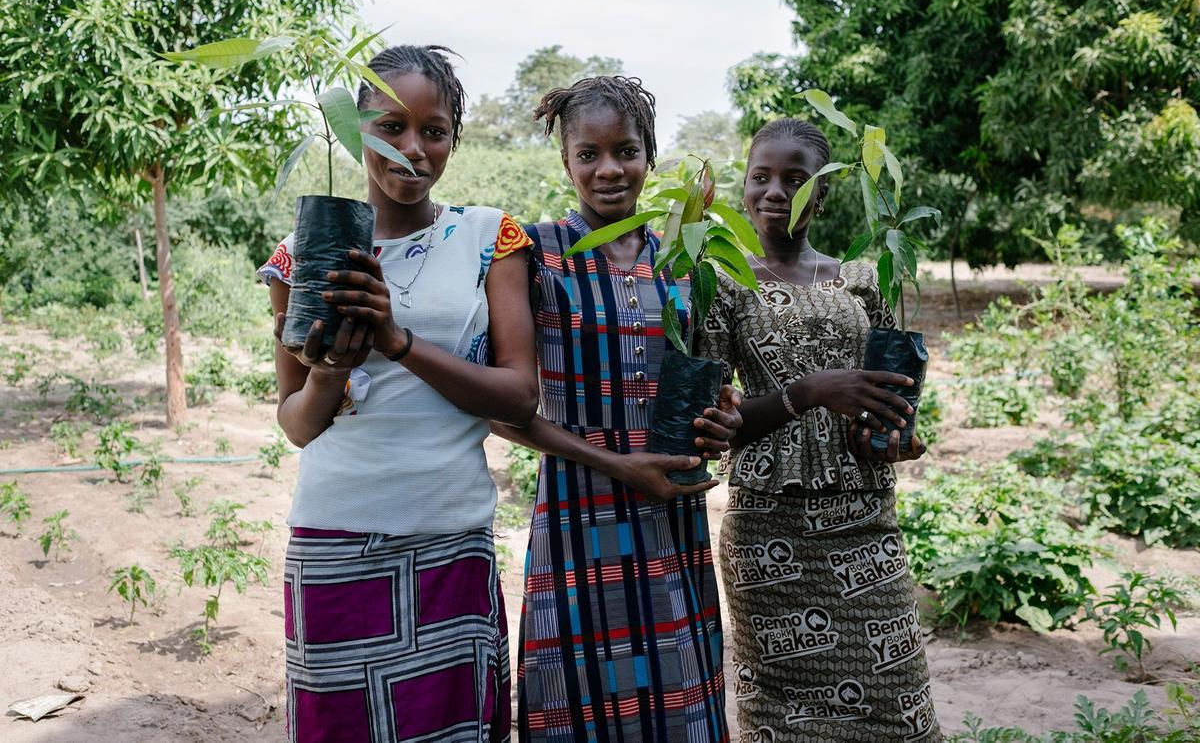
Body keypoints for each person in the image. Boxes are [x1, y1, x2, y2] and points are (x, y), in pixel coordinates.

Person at [259, 45, 538, 743]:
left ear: (453, 138)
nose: (413, 148)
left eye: (434, 130)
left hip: (450, 539)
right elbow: (296, 424)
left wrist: (398, 342)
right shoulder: (304, 251)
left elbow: (519, 394)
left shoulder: (488, 237)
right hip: (334, 539)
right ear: (355, 132)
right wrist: (328, 374)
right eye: (390, 126)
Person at [490, 76, 733, 742]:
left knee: (675, 696)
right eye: (587, 154)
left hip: (672, 516)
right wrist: (618, 464)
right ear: (565, 161)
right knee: (577, 692)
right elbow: (499, 409)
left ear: (649, 156)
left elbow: (703, 381)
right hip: (578, 512)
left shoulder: (681, 261)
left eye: (625, 151)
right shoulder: (532, 253)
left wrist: (718, 412)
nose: (608, 170)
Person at [697, 118, 942, 742]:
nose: (775, 191)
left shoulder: (861, 279)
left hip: (863, 519)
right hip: (768, 532)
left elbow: (890, 396)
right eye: (761, 177)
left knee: (897, 703)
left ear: (822, 194)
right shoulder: (725, 284)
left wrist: (897, 435)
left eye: (795, 179)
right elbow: (715, 425)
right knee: (781, 715)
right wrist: (807, 393)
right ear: (744, 185)